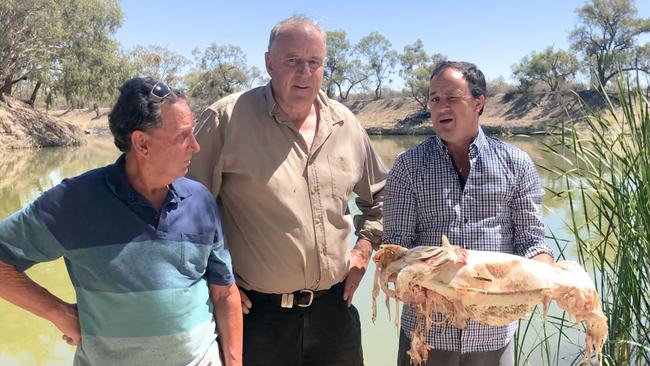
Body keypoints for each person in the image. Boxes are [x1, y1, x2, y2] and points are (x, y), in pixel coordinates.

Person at [0, 77, 242, 366]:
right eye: (183, 136)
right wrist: (57, 312)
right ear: (142, 144)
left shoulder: (200, 200)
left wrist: (234, 361)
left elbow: (225, 292)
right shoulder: (76, 201)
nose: (196, 146)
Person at [188, 16, 387, 366]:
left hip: (334, 312)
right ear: (268, 62)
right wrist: (216, 277)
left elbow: (382, 200)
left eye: (315, 62)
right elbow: (184, 210)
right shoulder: (226, 120)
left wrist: (364, 249)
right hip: (257, 317)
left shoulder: (346, 124)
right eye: (292, 60)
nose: (305, 71)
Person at [382, 61, 554, 366]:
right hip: (426, 332)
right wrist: (407, 281)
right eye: (434, 99)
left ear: (478, 102)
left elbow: (531, 241)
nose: (441, 106)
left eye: (451, 97)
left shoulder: (517, 164)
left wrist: (546, 274)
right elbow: (395, 247)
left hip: (493, 332)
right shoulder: (408, 166)